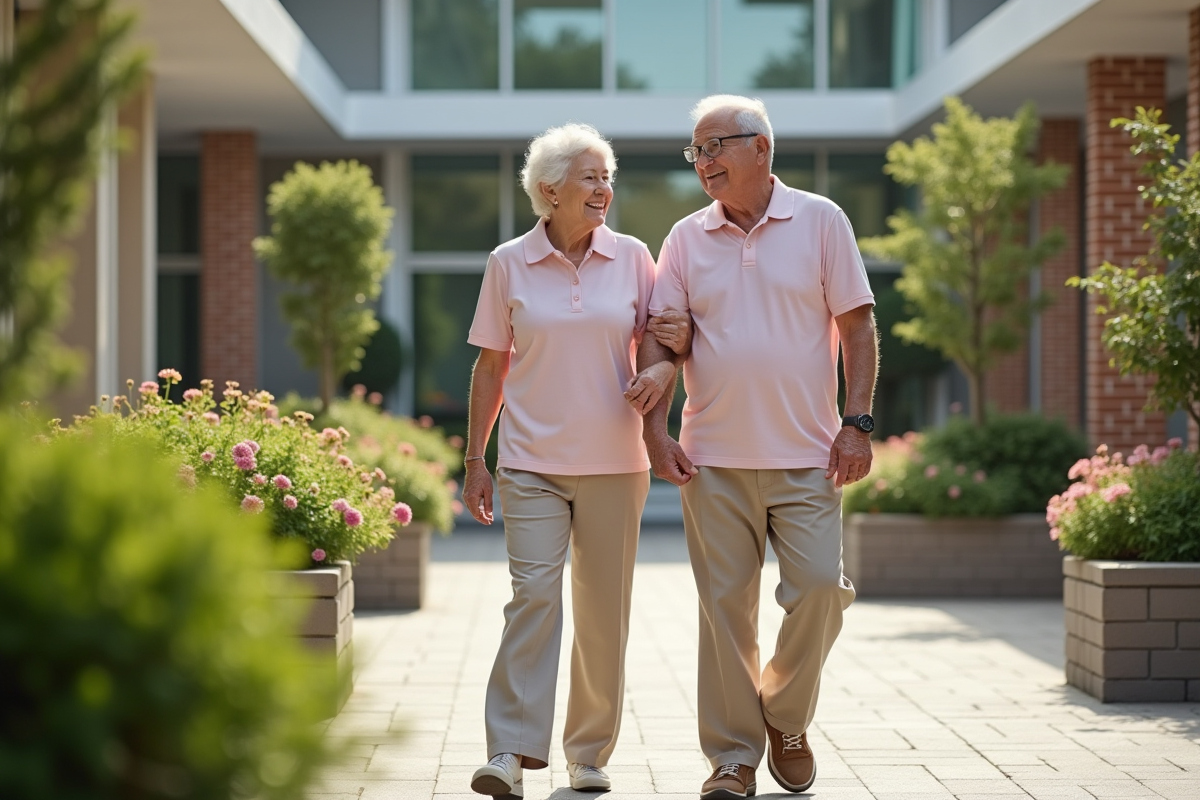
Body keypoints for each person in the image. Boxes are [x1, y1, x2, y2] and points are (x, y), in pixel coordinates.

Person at [631, 95, 878, 800]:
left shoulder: (821, 220)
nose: (704, 162)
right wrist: (655, 431)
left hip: (809, 456)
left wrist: (856, 423)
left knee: (822, 591)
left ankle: (785, 716)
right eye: (696, 151)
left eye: (717, 147)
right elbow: (662, 333)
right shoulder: (684, 238)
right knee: (725, 613)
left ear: (761, 149)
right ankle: (733, 759)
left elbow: (858, 329)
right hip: (712, 458)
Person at [462, 122, 690, 798]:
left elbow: (659, 342)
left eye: (607, 177)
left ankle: (587, 751)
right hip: (531, 463)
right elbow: (490, 365)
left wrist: (661, 375)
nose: (604, 189)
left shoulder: (634, 258)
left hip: (617, 463)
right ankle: (509, 749)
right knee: (533, 596)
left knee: (602, 610)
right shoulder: (508, 261)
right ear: (549, 190)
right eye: (590, 177)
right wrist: (476, 458)